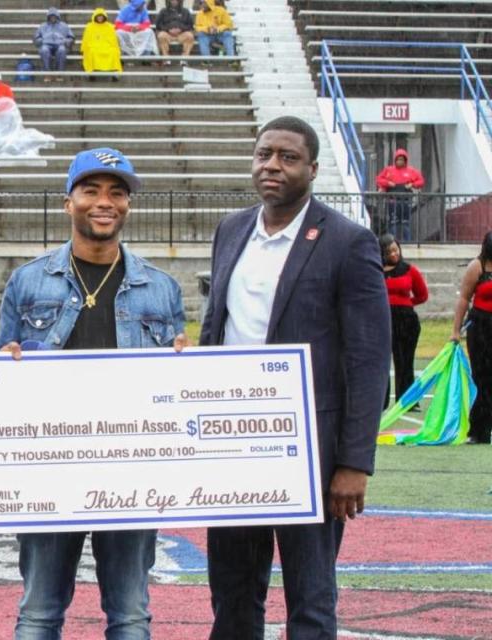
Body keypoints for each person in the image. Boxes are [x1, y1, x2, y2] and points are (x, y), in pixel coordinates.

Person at [201, 116, 390, 639]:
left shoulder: (348, 241)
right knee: (233, 592)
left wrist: (354, 462)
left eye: (287, 157)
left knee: (310, 597)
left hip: (311, 448)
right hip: (233, 443)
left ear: (312, 167)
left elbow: (369, 359)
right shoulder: (231, 230)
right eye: (264, 155)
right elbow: (216, 329)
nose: (272, 166)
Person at [0, 147, 186, 639]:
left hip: (133, 470)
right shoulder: (29, 279)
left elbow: (175, 386)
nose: (105, 202)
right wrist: (6, 365)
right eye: (91, 190)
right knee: (38, 613)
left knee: (130, 615)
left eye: (117, 192)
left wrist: (187, 369)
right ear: (68, 202)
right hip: (49, 468)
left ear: (127, 204)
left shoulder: (161, 287)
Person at [451, 231, 492, 444]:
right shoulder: (477, 266)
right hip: (481, 327)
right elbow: (464, 299)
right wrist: (455, 331)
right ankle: (479, 428)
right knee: (482, 376)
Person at [380, 233, 428, 410]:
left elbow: (422, 295)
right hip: (383, 321)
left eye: (396, 250)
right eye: (389, 251)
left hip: (406, 322)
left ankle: (408, 401)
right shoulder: (375, 271)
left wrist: (405, 304)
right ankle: (381, 401)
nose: (394, 254)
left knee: (405, 361)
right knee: (382, 361)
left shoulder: (409, 270)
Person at [375, 149, 424, 243]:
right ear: (395, 160)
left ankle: (407, 242)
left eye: (402, 159)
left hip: (406, 201)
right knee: (393, 223)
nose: (400, 162)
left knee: (406, 223)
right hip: (392, 201)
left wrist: (412, 184)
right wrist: (388, 183)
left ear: (405, 160)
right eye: (398, 159)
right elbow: (378, 179)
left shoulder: (411, 171)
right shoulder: (389, 170)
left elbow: (421, 181)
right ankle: (391, 242)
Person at [33, 7, 74, 80]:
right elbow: (36, 38)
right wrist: (42, 40)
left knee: (62, 50)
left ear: (57, 17)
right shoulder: (43, 26)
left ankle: (59, 74)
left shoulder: (64, 26)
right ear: (48, 17)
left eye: (54, 16)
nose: (53, 18)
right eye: (51, 16)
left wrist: (65, 41)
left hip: (60, 44)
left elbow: (71, 37)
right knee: (44, 50)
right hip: (46, 44)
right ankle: (47, 74)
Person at [81, 8, 122, 76]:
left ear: (104, 17)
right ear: (95, 17)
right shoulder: (89, 27)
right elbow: (86, 39)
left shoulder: (110, 27)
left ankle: (115, 71)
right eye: (98, 16)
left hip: (107, 46)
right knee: (91, 52)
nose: (100, 18)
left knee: (114, 51)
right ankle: (90, 71)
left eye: (101, 16)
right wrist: (84, 48)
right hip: (94, 46)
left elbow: (113, 41)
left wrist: (114, 47)